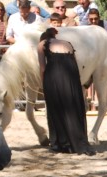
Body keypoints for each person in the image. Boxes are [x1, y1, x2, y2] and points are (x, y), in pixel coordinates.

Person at [37, 27, 95, 155]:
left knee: (56, 108)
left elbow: (42, 68)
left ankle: (61, 143)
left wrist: (44, 84)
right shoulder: (68, 44)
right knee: (72, 108)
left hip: (54, 77)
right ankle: (77, 141)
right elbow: (74, 64)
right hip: (72, 77)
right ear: (54, 37)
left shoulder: (42, 44)